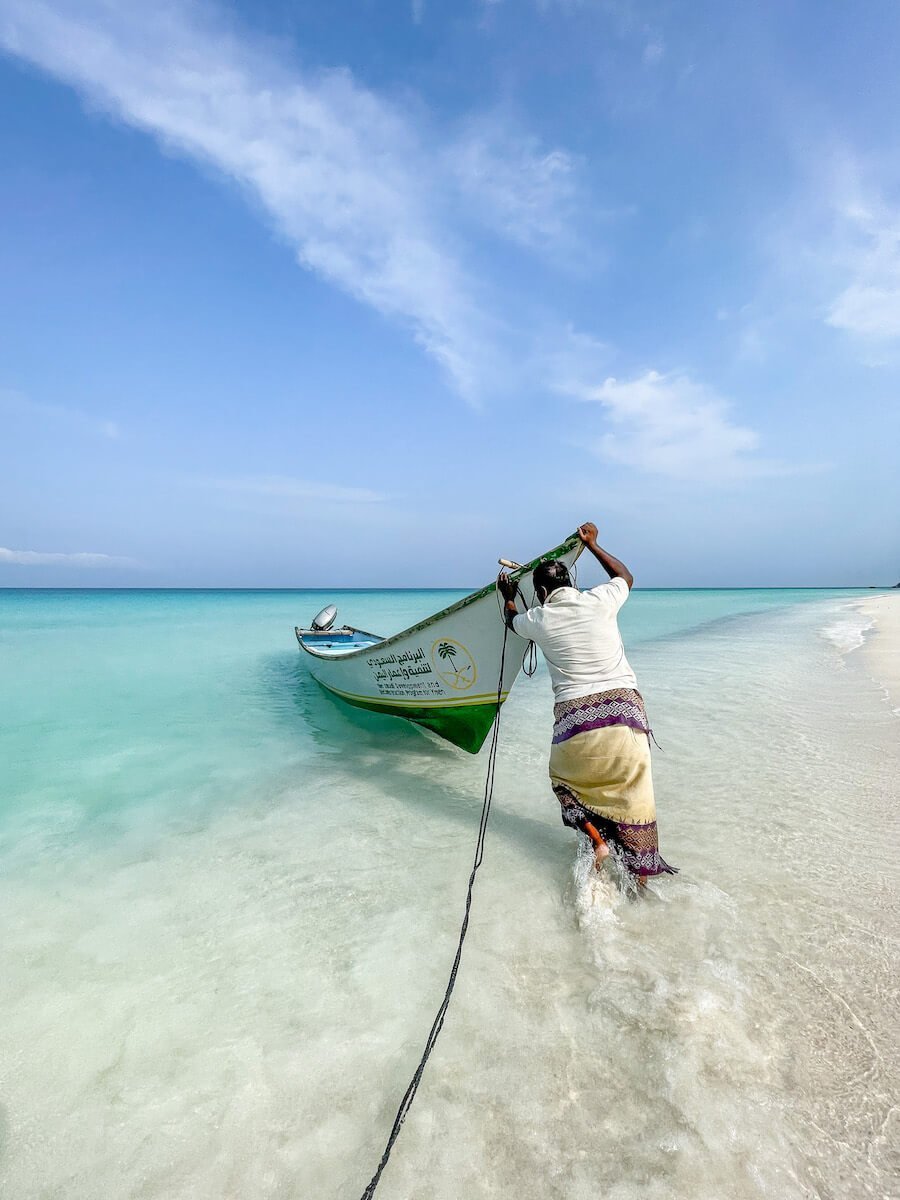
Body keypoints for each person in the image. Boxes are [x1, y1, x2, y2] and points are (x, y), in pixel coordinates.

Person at [498, 523, 675, 885]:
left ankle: (598, 843)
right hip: (626, 718)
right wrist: (593, 545)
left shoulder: (538, 618)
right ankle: (639, 882)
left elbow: (510, 621)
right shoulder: (600, 600)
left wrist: (508, 594)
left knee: (563, 784)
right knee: (632, 802)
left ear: (543, 592)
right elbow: (624, 576)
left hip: (576, 724)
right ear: (571, 583)